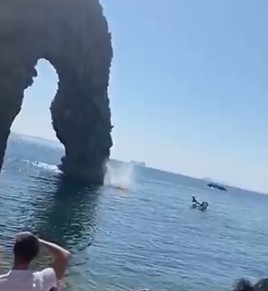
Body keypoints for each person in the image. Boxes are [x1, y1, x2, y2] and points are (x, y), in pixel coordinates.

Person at [0, 232, 71, 290]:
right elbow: (64, 255)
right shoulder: (42, 279)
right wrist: (37, 240)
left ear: (14, 251)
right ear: (35, 255)